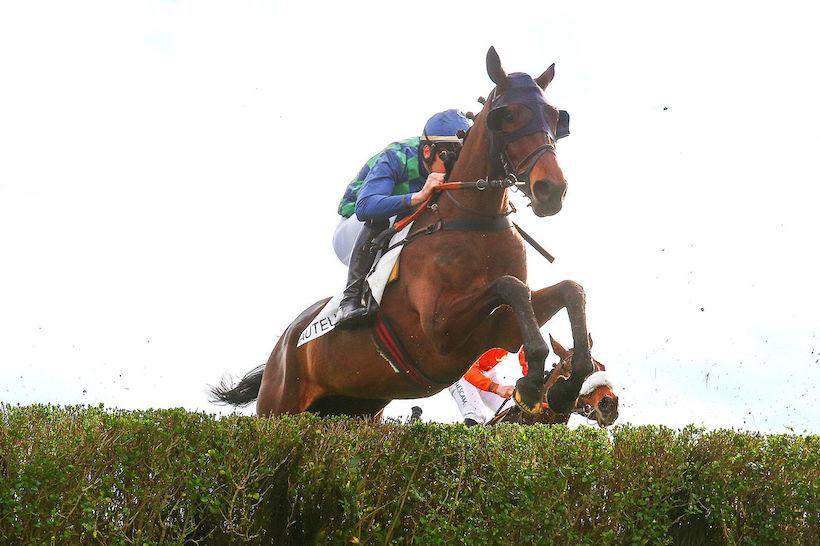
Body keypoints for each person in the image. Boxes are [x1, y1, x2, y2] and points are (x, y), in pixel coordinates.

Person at [332, 109, 471, 329]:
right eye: (449, 158)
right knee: (381, 216)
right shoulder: (397, 155)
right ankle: (349, 299)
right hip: (354, 228)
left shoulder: (437, 161)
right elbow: (365, 207)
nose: (454, 168)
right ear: (427, 151)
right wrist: (419, 196)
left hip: (399, 225)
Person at [448, 348, 527, 426]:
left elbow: (529, 359)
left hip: (487, 372)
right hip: (460, 373)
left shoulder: (519, 337)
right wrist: (496, 387)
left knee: (512, 411)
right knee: (475, 415)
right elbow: (465, 367)